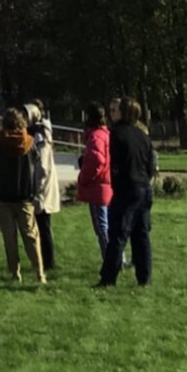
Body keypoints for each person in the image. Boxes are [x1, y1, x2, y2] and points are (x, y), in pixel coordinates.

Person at [98, 96, 158, 288]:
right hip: (144, 188)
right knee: (141, 235)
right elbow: (150, 165)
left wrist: (117, 183)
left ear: (124, 112)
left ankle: (108, 278)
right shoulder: (142, 135)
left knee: (118, 234)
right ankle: (144, 278)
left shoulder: (116, 134)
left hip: (127, 189)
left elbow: (114, 163)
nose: (111, 114)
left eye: (115, 110)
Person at [0, 107, 45, 283]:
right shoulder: (29, 142)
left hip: (3, 195)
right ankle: (39, 272)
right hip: (24, 196)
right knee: (31, 235)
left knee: (9, 238)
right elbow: (37, 163)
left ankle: (15, 272)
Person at [27, 102, 60, 273]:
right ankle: (46, 260)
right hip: (42, 185)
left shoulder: (40, 135)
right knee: (42, 225)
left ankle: (48, 261)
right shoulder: (38, 132)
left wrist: (37, 189)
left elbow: (43, 166)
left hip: (42, 188)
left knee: (43, 225)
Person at [77, 103, 113, 258]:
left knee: (102, 228)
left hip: (97, 188)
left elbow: (96, 160)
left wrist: (83, 178)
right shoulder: (106, 134)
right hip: (107, 184)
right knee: (109, 226)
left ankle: (110, 260)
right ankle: (118, 258)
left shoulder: (96, 136)